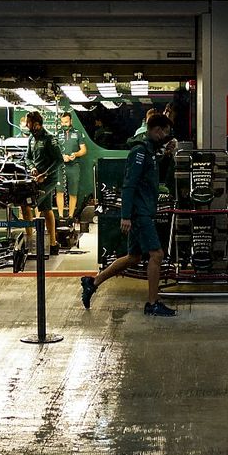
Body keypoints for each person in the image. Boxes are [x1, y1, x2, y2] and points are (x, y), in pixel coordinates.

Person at [81, 114, 176, 317]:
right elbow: (129, 184)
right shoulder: (139, 152)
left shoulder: (151, 153)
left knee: (133, 257)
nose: (166, 136)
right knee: (157, 255)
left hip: (143, 212)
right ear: (156, 130)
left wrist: (167, 156)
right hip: (139, 214)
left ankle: (93, 282)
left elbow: (155, 177)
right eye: (165, 132)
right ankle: (152, 303)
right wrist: (125, 215)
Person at [19, 111, 62, 256]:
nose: (26, 125)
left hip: (48, 180)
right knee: (46, 208)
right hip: (36, 179)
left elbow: (59, 160)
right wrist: (32, 167)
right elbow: (27, 157)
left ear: (36, 124)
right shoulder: (31, 138)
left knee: (26, 204)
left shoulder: (50, 138)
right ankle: (53, 244)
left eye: (29, 123)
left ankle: (30, 242)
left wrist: (46, 174)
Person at [56, 111, 87, 222]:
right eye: (62, 122)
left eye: (66, 122)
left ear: (71, 121)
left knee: (73, 192)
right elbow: (54, 151)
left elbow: (83, 150)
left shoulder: (77, 133)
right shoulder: (57, 134)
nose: (64, 124)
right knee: (59, 191)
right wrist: (61, 156)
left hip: (73, 166)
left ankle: (70, 217)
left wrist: (75, 154)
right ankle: (60, 216)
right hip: (60, 167)